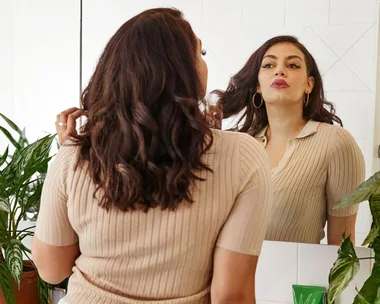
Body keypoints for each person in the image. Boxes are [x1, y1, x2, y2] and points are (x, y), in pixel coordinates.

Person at [32, 8, 272, 304]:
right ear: (183, 70)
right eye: (201, 53)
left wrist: (71, 159)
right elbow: (230, 295)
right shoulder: (243, 158)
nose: (204, 63)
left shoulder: (74, 157)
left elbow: (51, 269)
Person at [213, 35, 365, 245]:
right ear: (257, 85)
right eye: (269, 65)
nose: (279, 70)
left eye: (292, 65)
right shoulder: (241, 145)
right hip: (230, 277)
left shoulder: (336, 143)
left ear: (309, 85)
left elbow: (341, 248)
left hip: (292, 277)